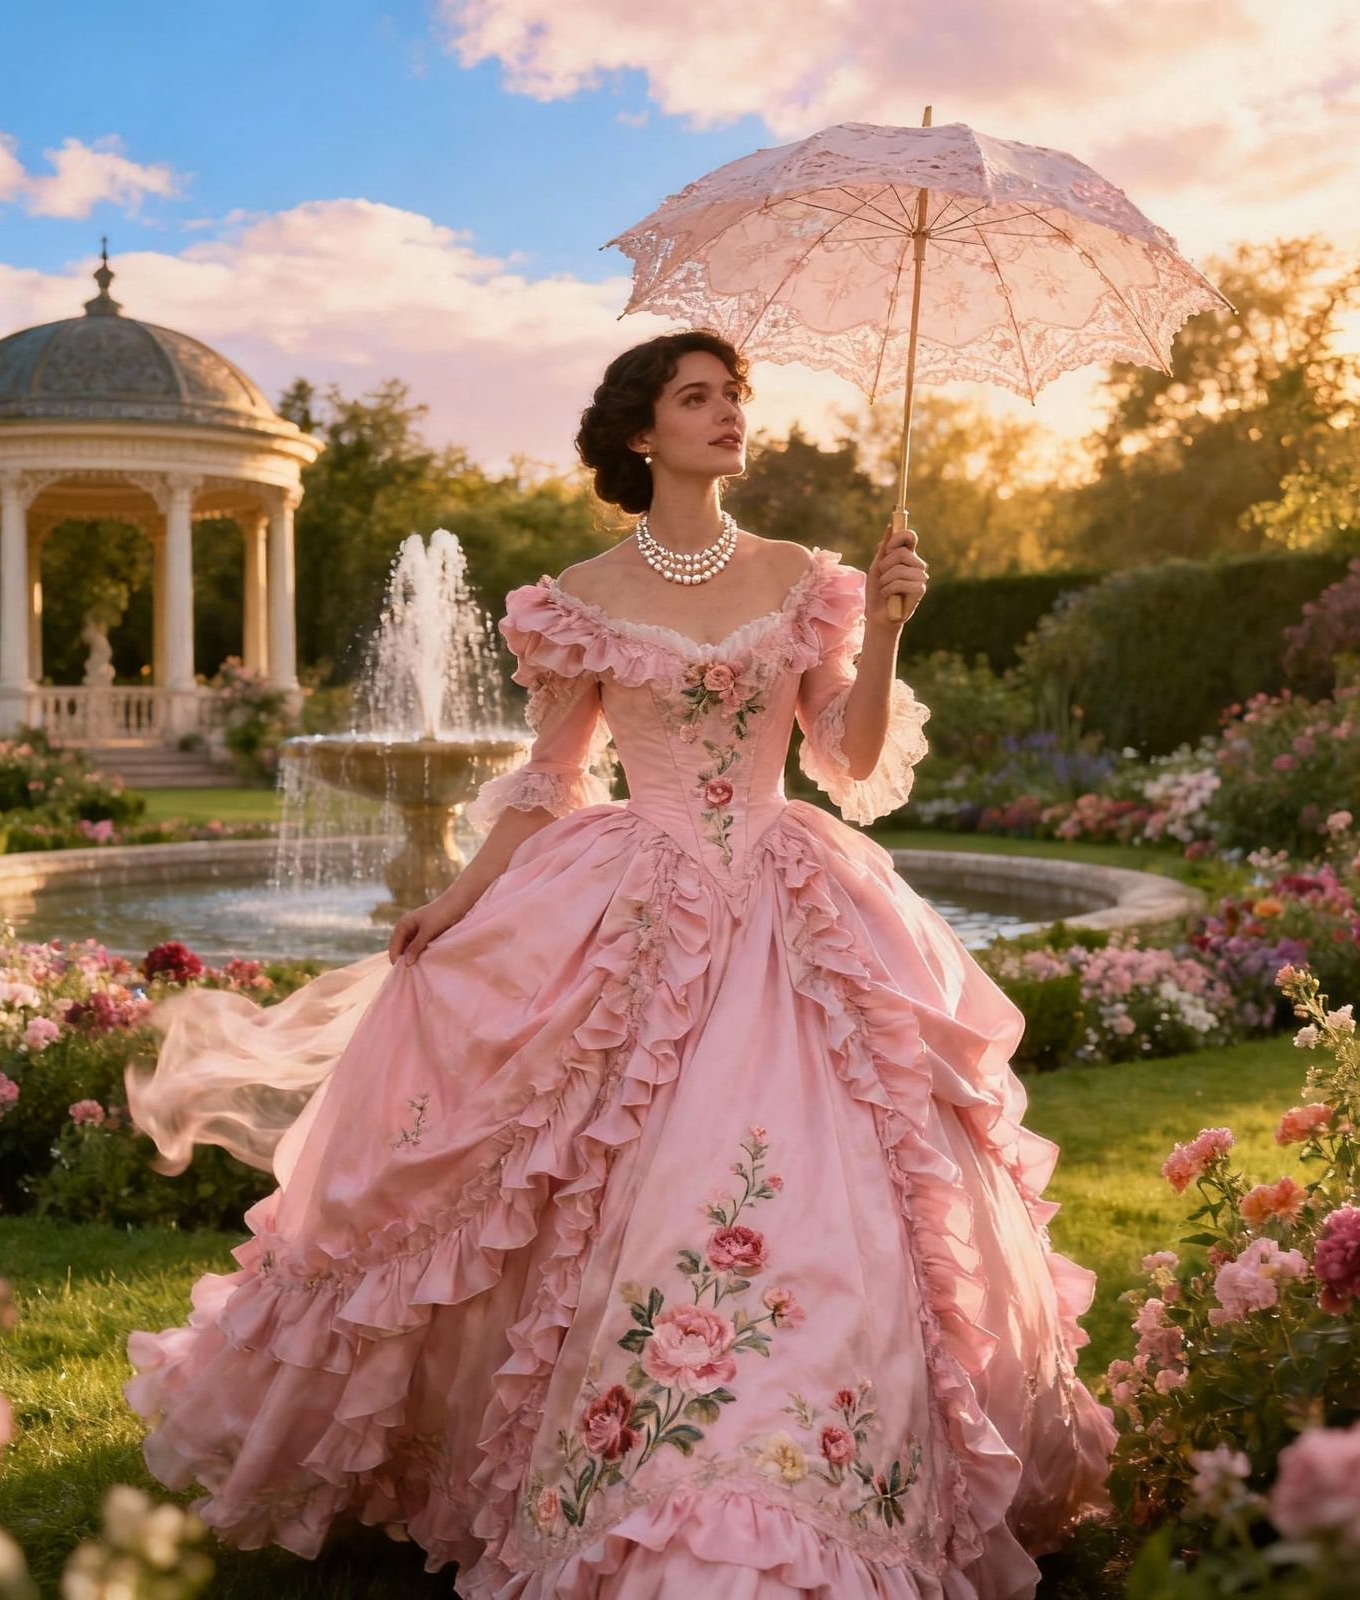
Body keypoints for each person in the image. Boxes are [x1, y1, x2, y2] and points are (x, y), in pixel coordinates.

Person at [124, 330, 1117, 1599]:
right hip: (628, 901)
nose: (728, 417)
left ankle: (800, 1472)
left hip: (787, 905)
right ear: (640, 433)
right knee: (568, 1169)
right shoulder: (579, 594)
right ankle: (597, 1465)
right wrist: (457, 899)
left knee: (824, 1176)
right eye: (698, 398)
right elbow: (548, 783)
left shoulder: (810, 577)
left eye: (734, 397)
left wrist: (894, 627)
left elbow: (852, 764)